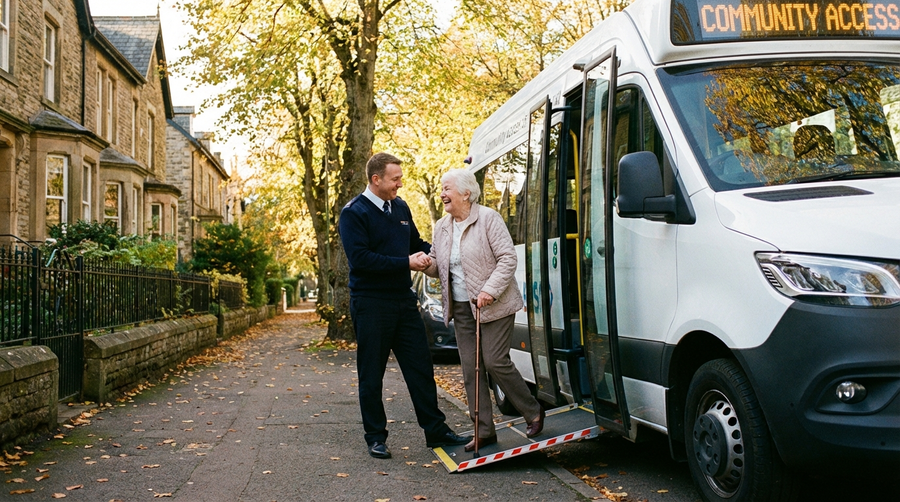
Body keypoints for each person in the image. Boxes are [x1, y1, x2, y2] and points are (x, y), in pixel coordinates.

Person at [339, 152, 468, 459]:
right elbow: (362, 260)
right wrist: (406, 263)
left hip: (404, 302)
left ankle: (436, 431)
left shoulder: (400, 207)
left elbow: (416, 244)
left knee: (421, 368)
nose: (400, 183)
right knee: (372, 374)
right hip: (371, 304)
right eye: (395, 178)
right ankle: (376, 437)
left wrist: (442, 254)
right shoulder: (353, 213)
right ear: (376, 179)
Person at [423, 169, 544, 452]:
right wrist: (423, 263)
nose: (442, 193)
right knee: (470, 370)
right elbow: (436, 264)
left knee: (493, 361)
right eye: (441, 188)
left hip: (496, 304)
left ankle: (533, 410)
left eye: (447, 188)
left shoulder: (488, 218)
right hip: (463, 309)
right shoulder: (442, 226)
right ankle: (484, 431)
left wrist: (489, 290)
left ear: (466, 193)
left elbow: (507, 258)